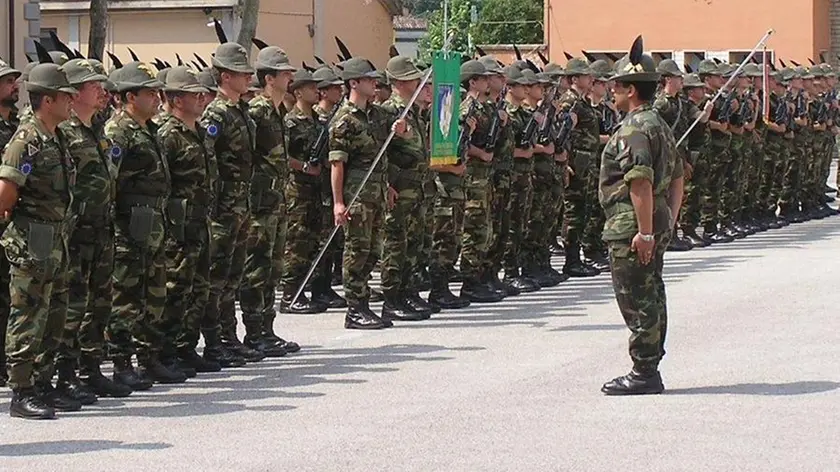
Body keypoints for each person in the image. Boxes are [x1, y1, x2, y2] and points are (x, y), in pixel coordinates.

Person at [599, 38, 684, 395]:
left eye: (616, 86)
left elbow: (640, 183)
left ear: (631, 90)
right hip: (653, 221)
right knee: (651, 292)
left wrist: (646, 232)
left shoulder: (634, 129)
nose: (612, 92)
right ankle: (650, 366)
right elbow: (679, 176)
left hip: (633, 227)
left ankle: (644, 371)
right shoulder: (658, 124)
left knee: (638, 298)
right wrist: (668, 220)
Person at [0, 62, 78, 418]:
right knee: (28, 314)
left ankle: (43, 382)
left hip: (56, 240)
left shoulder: (56, 136)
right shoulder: (26, 140)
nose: (70, 101)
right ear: (48, 101)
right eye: (65, 96)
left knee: (54, 314)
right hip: (33, 240)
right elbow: (6, 193)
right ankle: (22, 390)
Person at [105, 62, 187, 387]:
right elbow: (108, 183)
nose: (157, 97)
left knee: (154, 293)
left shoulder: (151, 129)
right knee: (126, 296)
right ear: (129, 97)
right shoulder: (118, 132)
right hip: (129, 227)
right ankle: (122, 361)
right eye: (149, 92)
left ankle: (149, 356)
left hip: (154, 224)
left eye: (157, 91)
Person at [55, 58, 131, 400]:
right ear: (73, 93)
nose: (102, 91)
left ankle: (91, 367)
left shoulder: (97, 128)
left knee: (100, 303)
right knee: (72, 305)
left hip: (102, 229)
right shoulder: (64, 132)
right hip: (76, 233)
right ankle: (66, 373)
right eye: (93, 86)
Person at [156, 66, 229, 373]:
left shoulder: (197, 131)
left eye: (201, 94)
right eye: (193, 94)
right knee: (176, 289)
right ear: (175, 100)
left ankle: (186, 346)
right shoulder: (167, 135)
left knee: (198, 288)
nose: (202, 99)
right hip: (178, 227)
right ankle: (166, 350)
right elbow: (163, 184)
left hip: (200, 223)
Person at [329, 57, 405, 329]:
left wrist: (401, 129)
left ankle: (364, 305)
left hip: (376, 192)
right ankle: (355, 308)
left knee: (373, 250)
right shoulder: (344, 121)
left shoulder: (377, 114)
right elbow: (337, 164)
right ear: (354, 83)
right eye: (369, 79)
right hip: (357, 195)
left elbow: (399, 129)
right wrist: (339, 202)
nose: (375, 83)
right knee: (357, 251)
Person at [200, 42, 264, 363]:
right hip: (223, 208)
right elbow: (208, 160)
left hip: (240, 205)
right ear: (225, 76)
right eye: (242, 72)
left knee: (232, 276)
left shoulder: (241, 109)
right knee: (216, 276)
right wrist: (213, 203)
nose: (249, 76)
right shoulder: (215, 113)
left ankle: (229, 335)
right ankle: (213, 341)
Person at [238, 45, 299, 357]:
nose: (290, 77)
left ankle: (267, 327)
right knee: (257, 266)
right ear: (269, 78)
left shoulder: (278, 112)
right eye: (285, 72)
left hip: (276, 200)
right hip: (261, 202)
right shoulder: (258, 112)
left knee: (273, 266)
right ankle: (254, 330)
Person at [378, 56, 434, 322]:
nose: (418, 81)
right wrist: (387, 183)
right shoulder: (390, 111)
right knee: (396, 244)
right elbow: (381, 153)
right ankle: (391, 298)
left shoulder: (412, 111)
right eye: (413, 78)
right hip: (400, 190)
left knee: (414, 243)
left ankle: (408, 292)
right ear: (400, 81)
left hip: (417, 188)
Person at [0, 57, 21, 388]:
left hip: (13, 224)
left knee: (9, 294)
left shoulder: (17, 125)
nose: (15, 84)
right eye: (7, 80)